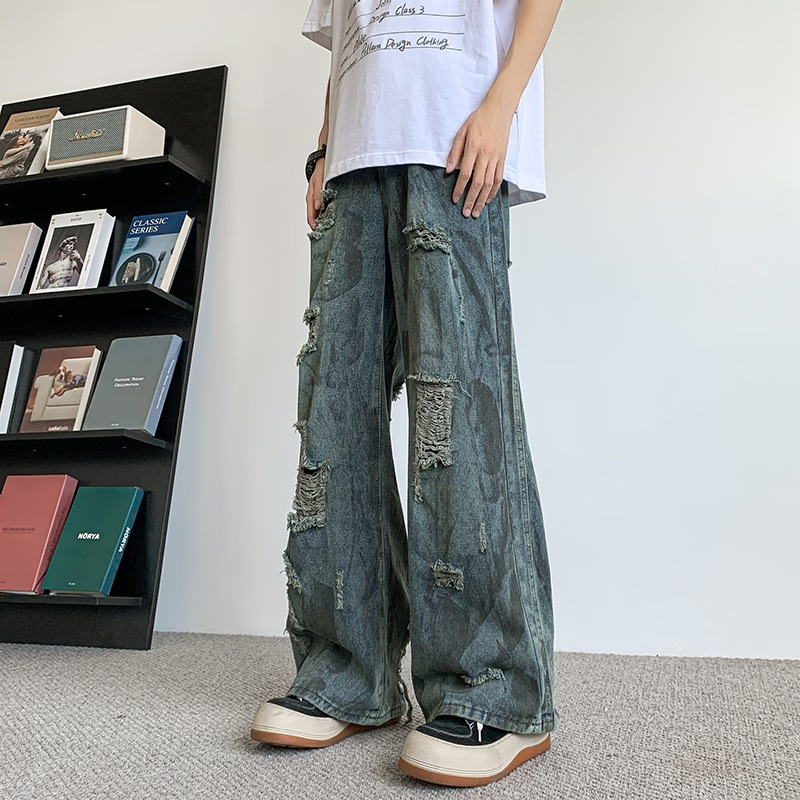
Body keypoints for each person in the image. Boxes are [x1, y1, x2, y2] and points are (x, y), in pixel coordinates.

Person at [251, 0, 563, 787]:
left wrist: (501, 105)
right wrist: (323, 148)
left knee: (455, 415)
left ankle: (494, 688)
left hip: (456, 137)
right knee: (334, 416)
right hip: (354, 160)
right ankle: (347, 672)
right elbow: (346, 41)